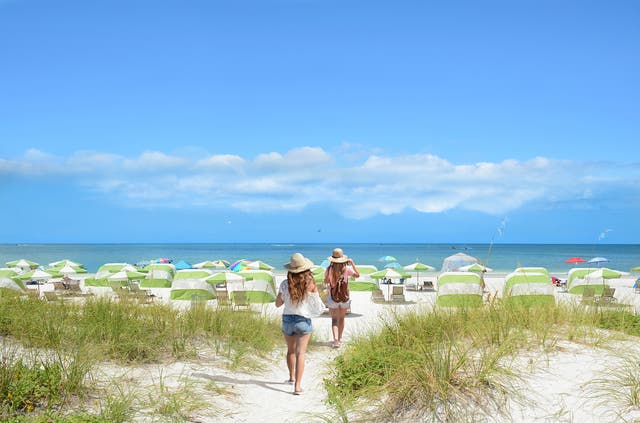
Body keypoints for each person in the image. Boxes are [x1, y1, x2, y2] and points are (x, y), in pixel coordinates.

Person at [275, 252, 324, 395]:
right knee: (300, 353)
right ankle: (297, 386)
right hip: (303, 319)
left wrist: (286, 297)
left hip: (288, 319)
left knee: (290, 351)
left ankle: (291, 377)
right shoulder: (310, 283)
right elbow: (317, 306)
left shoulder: (285, 284)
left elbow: (278, 304)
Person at [324, 247, 360, 348]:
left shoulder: (329, 269)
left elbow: (326, 282)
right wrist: (352, 263)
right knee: (342, 318)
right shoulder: (347, 269)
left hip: (332, 297)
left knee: (334, 320)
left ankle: (335, 340)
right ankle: (340, 338)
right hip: (345, 297)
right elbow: (357, 275)